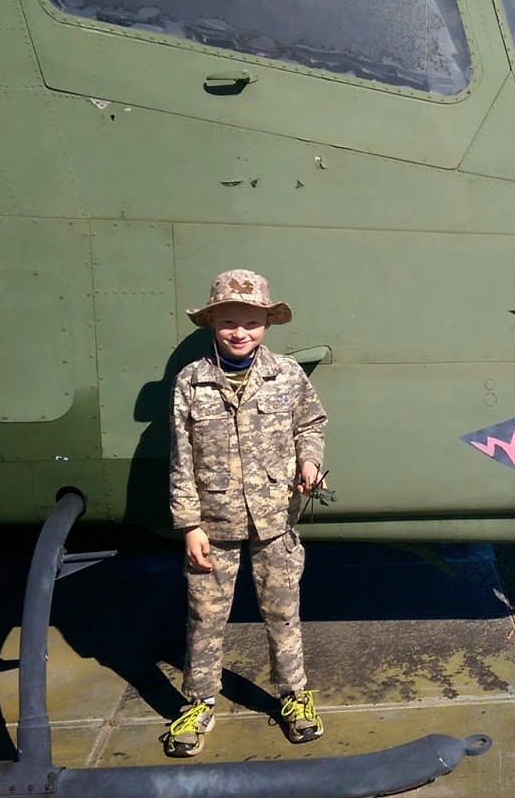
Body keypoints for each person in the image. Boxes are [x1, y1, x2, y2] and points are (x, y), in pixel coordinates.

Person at [162, 269, 328, 757]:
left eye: (252, 322)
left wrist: (309, 461)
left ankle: (294, 695)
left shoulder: (288, 375)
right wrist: (189, 525)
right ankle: (198, 702)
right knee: (205, 618)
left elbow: (311, 423)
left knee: (283, 613)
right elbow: (180, 458)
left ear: (267, 324)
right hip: (213, 525)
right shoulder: (191, 382)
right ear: (212, 323)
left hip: (275, 520)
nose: (240, 332)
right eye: (228, 322)